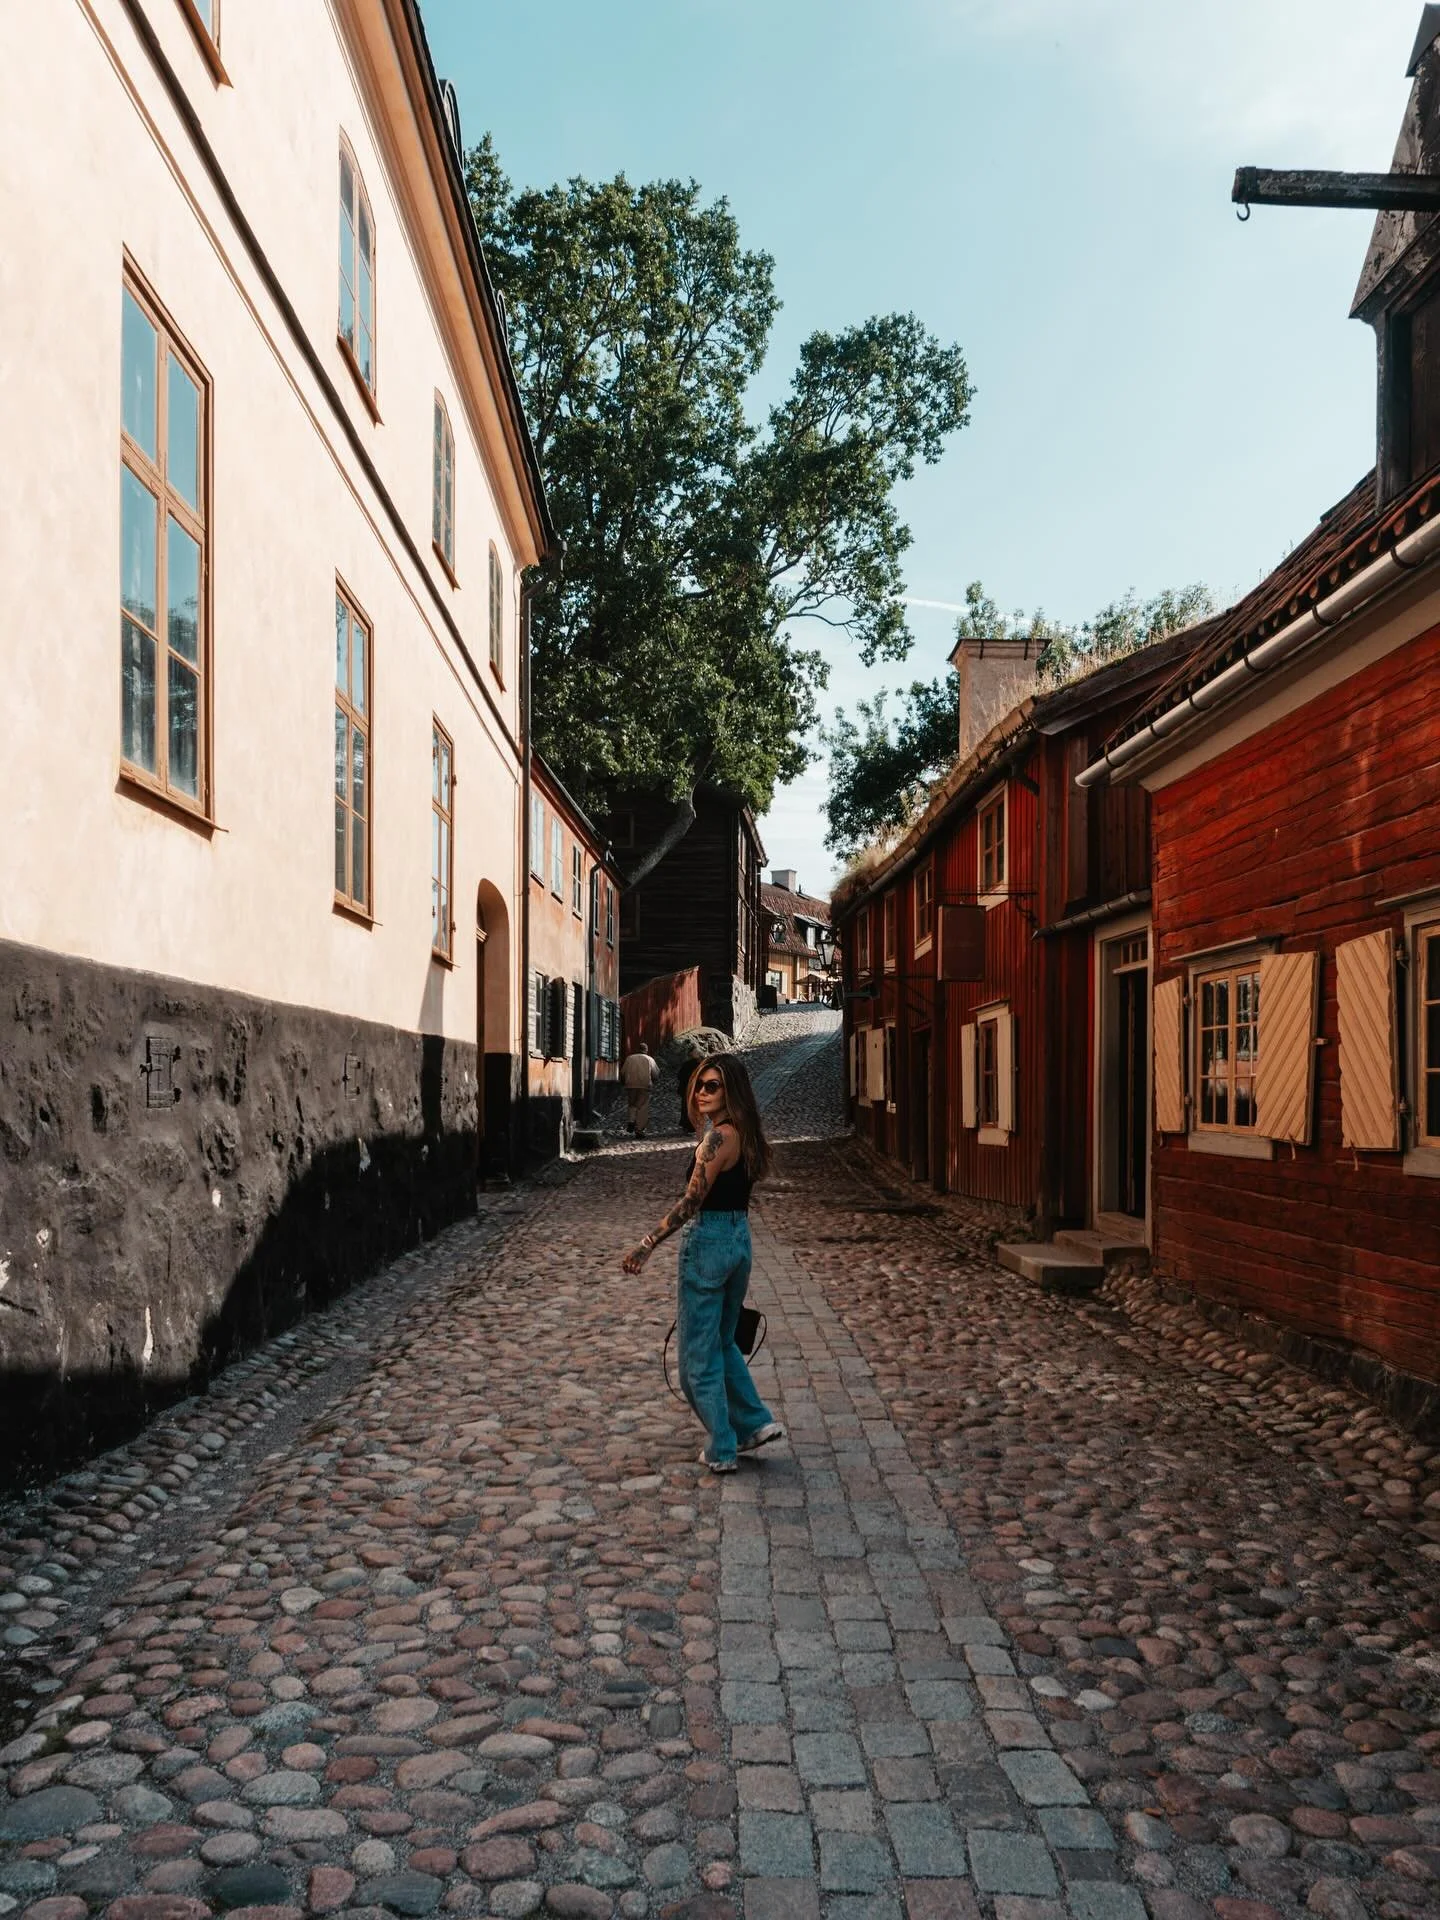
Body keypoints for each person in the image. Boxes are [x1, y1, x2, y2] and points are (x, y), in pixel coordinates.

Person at [622, 1054, 785, 1473]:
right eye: (698, 1085)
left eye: (712, 1085)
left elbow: (692, 1201)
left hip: (709, 1241)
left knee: (698, 1355)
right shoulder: (747, 1134)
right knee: (724, 1340)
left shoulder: (717, 1140)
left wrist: (647, 1243)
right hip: (738, 1240)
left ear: (731, 1090)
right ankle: (755, 1423)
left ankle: (722, 1445)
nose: (702, 1092)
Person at [620, 1038, 660, 1137]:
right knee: (642, 1107)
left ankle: (631, 1121)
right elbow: (656, 1073)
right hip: (644, 1086)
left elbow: (622, 1072)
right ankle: (639, 1130)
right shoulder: (649, 1059)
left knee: (632, 1104)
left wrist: (624, 1082)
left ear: (637, 1049)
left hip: (631, 1085)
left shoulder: (629, 1058)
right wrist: (653, 1081)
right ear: (646, 1050)